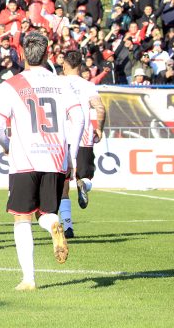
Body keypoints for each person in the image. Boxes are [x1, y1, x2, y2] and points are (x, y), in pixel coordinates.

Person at [0, 32, 85, 291]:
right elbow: (79, 119)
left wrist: (7, 146)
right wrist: (72, 154)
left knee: (22, 218)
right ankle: (54, 223)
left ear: (21, 54)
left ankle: (29, 278)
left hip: (25, 161)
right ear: (48, 54)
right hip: (55, 159)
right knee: (47, 212)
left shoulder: (11, 84)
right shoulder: (62, 83)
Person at [59, 50, 106, 238]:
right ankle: (83, 185)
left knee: (63, 185)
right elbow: (100, 108)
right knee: (86, 177)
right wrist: (99, 128)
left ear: (64, 65)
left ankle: (68, 226)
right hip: (84, 138)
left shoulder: (57, 83)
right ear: (80, 66)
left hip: (62, 138)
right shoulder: (88, 86)